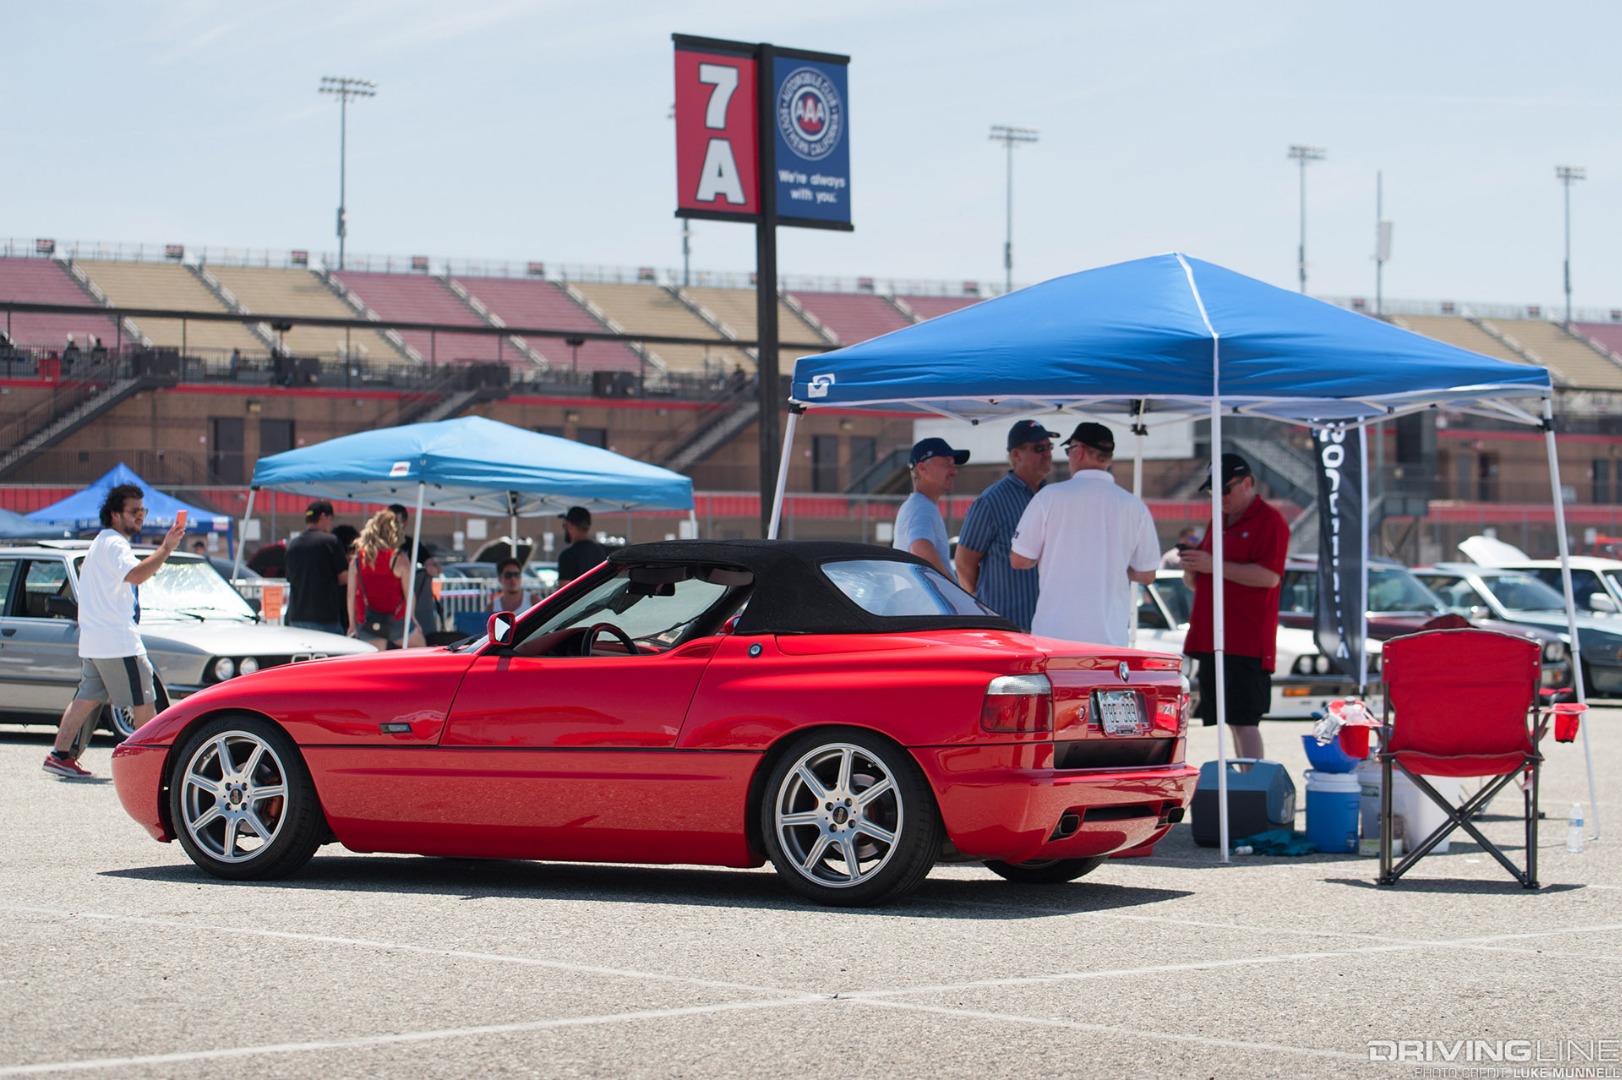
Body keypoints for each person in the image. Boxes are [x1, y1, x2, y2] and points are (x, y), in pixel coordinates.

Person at [42, 485, 185, 780]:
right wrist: (166, 548)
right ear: (114, 515)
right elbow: (136, 575)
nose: (140, 517)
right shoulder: (115, 544)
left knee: (86, 699)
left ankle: (59, 755)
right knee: (145, 698)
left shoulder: (100, 543)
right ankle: (148, 765)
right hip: (118, 642)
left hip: (96, 640)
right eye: (134, 512)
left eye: (142, 511)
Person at [1179, 452, 1289, 760]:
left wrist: (1213, 564)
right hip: (1213, 637)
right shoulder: (1220, 519)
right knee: (1229, 721)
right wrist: (1194, 567)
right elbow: (1200, 582)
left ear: (1248, 483)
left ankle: (1251, 786)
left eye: (1225, 489)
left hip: (1246, 639)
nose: (1220, 497)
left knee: (1244, 721)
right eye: (1214, 491)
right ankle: (1243, 787)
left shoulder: (1270, 520)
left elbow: (1269, 577)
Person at [1009, 421, 1159, 647]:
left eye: (1069, 451)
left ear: (1078, 451)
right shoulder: (1134, 506)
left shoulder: (1049, 497)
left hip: (1054, 638)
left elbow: (1020, 560)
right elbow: (1147, 575)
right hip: (1110, 641)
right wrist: (1111, 565)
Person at [954, 419, 1057, 630]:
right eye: (1039, 448)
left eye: (1049, 447)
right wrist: (984, 608)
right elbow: (964, 562)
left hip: (1046, 625)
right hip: (1006, 628)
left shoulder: (1052, 497)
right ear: (1016, 455)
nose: (1047, 453)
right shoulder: (991, 502)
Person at [894, 437, 968, 578]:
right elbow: (920, 547)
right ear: (922, 468)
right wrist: (951, 589)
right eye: (947, 464)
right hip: (920, 599)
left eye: (953, 465)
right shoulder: (922, 507)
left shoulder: (918, 505)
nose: (954, 471)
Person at [347, 509, 411, 648]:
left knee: (376, 664)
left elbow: (351, 595)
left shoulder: (358, 559)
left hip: (367, 621)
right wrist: (413, 619)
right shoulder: (399, 558)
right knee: (421, 650)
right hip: (397, 621)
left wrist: (352, 625)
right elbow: (409, 595)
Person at [283, 500, 348, 635]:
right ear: (323, 517)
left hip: (297, 616)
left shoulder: (292, 545)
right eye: (331, 519)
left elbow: (290, 578)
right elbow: (344, 578)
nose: (332, 524)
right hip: (325, 618)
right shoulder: (330, 541)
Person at [557, 506, 609, 584]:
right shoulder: (599, 552)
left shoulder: (568, 555)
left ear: (569, 525)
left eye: (564, 524)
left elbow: (563, 591)